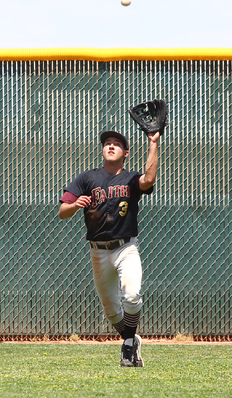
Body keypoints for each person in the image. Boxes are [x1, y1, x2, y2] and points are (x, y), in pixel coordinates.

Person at [58, 129, 160, 367]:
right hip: (98, 251)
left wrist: (153, 143)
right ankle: (131, 340)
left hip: (126, 248)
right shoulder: (87, 178)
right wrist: (74, 205)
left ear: (126, 153)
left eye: (116, 144)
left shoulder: (131, 179)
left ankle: (126, 347)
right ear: (102, 150)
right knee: (112, 311)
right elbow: (62, 212)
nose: (110, 146)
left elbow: (149, 180)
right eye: (107, 143)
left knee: (132, 295)